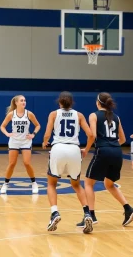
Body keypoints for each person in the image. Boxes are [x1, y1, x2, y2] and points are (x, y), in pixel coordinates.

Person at [78, 92, 133, 228]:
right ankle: (128, 208)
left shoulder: (94, 115)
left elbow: (92, 135)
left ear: (98, 103)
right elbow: (123, 139)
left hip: (103, 150)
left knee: (88, 183)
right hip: (117, 152)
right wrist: (112, 145)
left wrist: (86, 149)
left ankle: (91, 215)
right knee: (109, 184)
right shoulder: (116, 117)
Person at [42, 91, 95, 233]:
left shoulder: (54, 114)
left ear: (59, 102)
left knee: (52, 183)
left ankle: (54, 213)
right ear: (72, 102)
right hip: (74, 150)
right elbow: (91, 135)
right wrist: (86, 150)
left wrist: (45, 142)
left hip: (58, 148)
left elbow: (47, 133)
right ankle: (87, 213)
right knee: (77, 185)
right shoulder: (79, 115)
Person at [0, 95, 41, 194]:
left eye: (24, 100)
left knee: (27, 163)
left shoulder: (29, 114)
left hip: (25, 141)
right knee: (12, 163)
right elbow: (2, 126)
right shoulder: (11, 114)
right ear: (16, 103)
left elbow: (38, 125)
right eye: (21, 100)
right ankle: (5, 184)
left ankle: (34, 183)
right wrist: (7, 134)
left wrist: (33, 134)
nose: (24, 102)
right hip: (14, 141)